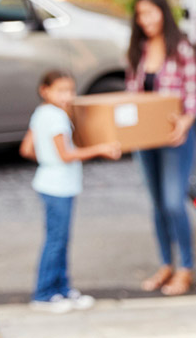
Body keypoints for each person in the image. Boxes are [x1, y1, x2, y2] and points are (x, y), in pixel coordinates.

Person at [19, 70, 121, 313]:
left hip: (47, 182)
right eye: (61, 90)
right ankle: (44, 294)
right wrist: (100, 149)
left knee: (60, 239)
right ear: (45, 90)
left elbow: (26, 149)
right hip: (59, 187)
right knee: (56, 241)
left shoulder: (41, 113)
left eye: (70, 90)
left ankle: (63, 289)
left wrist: (47, 159)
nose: (67, 96)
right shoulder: (57, 117)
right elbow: (66, 155)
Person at [125, 0, 196, 296]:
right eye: (140, 15)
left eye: (150, 13)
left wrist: (184, 121)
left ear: (163, 13)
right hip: (146, 139)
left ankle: (186, 267)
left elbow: (193, 97)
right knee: (156, 205)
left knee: (173, 202)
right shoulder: (138, 50)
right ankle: (165, 264)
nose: (145, 20)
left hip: (175, 137)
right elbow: (131, 97)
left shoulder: (182, 48)